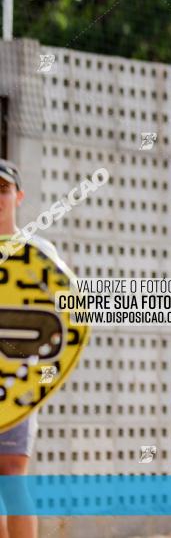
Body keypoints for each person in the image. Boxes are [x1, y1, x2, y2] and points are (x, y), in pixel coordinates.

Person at [0, 159, 45, 538]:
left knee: (13, 476)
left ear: (18, 195)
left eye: (3, 189)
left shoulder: (39, 250)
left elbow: (65, 315)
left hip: (17, 381)